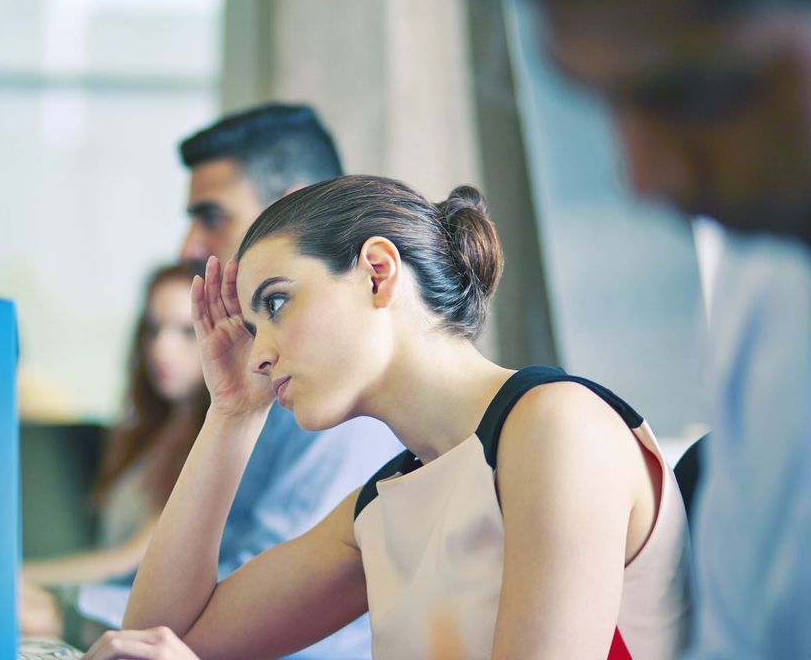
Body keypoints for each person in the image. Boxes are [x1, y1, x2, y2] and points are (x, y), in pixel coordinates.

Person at [84, 176, 691, 660]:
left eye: (276, 303)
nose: (260, 353)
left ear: (379, 272)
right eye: (251, 328)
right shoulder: (381, 506)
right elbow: (150, 640)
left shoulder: (559, 427)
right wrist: (232, 414)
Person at [451, 0, 811, 656]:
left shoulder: (556, 428)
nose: (641, 175)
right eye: (604, 105)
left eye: (695, 95)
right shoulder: (768, 285)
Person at [78, 104, 400, 659]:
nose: (187, 249)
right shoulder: (374, 487)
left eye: (211, 216)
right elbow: (155, 632)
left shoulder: (541, 425)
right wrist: (231, 412)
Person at [20, 262, 210, 643]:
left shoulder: (209, 446)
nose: (162, 348)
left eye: (187, 332)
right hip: (99, 603)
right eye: (154, 330)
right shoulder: (145, 434)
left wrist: (21, 574)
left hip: (125, 618)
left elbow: (127, 559)